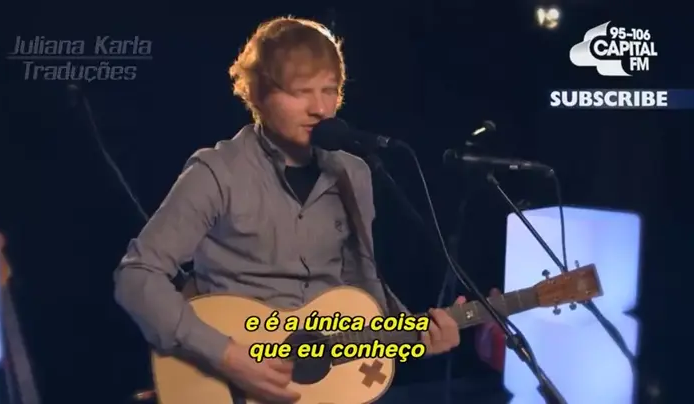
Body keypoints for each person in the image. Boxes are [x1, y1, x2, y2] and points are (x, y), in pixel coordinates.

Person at [114, 16, 486, 403]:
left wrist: (416, 336)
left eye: (329, 91)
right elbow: (137, 276)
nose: (320, 108)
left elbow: (363, 289)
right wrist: (226, 355)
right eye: (301, 92)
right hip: (230, 381)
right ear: (258, 94)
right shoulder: (217, 172)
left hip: (322, 383)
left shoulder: (354, 173)